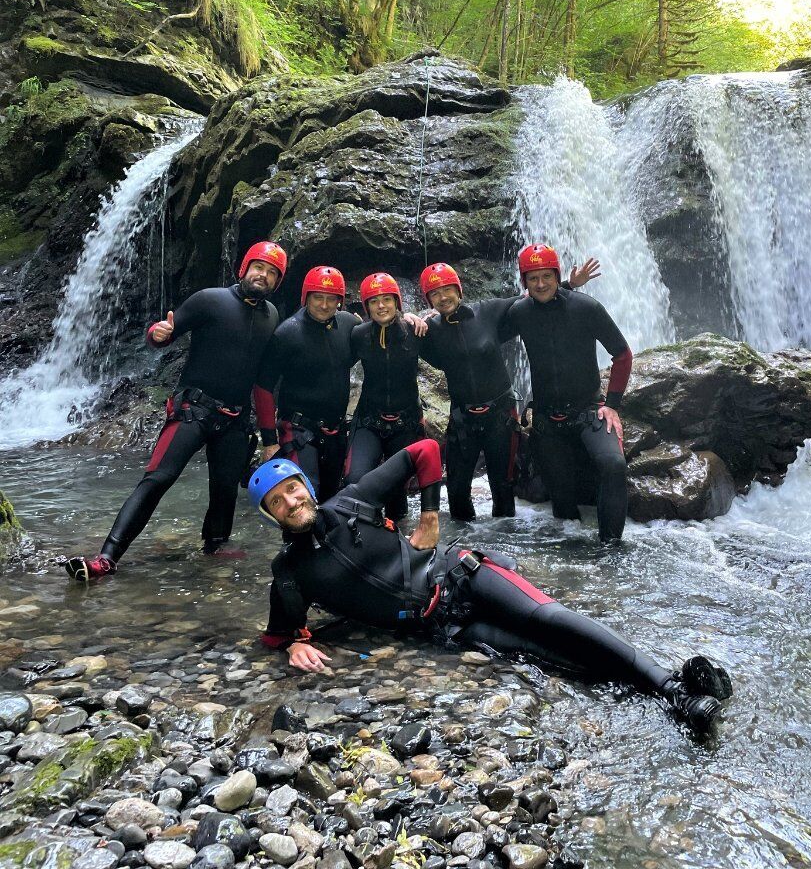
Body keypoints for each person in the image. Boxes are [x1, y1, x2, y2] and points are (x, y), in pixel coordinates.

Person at [248, 449, 733, 734]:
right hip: (445, 626)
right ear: (269, 516)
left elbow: (423, 452)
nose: (290, 502)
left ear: (307, 487)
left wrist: (432, 515)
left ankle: (673, 687)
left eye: (293, 490)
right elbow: (277, 633)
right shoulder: (289, 571)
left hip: (464, 573)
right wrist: (294, 642)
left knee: (550, 619)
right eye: (277, 502)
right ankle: (670, 695)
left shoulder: (351, 501)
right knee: (543, 654)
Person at [64, 241, 287, 581]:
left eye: (273, 273)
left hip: (235, 419)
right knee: (158, 478)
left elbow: (263, 383)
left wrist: (269, 437)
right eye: (259, 267)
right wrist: (158, 333)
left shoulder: (272, 317)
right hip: (193, 409)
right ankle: (107, 557)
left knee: (225, 488)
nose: (264, 275)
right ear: (244, 268)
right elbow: (162, 333)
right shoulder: (210, 299)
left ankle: (215, 548)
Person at [417, 258, 601, 521]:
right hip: (462, 420)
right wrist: (411, 317)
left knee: (502, 488)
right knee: (457, 491)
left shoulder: (488, 311)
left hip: (499, 416)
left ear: (459, 290)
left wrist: (569, 284)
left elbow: (534, 297)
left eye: (447, 289)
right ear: (429, 300)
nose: (443, 297)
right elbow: (395, 327)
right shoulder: (429, 330)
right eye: (435, 293)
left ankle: (504, 552)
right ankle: (463, 551)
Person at [504, 243, 633, 542]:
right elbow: (481, 333)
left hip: (589, 411)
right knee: (562, 510)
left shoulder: (586, 308)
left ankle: (611, 548)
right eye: (532, 278)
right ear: (524, 282)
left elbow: (623, 355)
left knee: (614, 465)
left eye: (546, 277)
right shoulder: (519, 312)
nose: (540, 284)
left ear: (556, 275)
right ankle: (568, 567)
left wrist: (613, 405)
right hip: (548, 422)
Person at [253, 267, 358, 503]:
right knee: (305, 497)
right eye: (318, 297)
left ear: (340, 301)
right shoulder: (287, 333)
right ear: (306, 297)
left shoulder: (349, 324)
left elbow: (376, 334)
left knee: (332, 499)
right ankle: (297, 541)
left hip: (336, 430)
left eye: (331, 299)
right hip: (299, 430)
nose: (324, 305)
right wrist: (269, 441)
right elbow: (263, 387)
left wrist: (411, 319)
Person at [344, 273, 426, 520]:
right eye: (374, 301)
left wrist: (425, 317)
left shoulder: (415, 331)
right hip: (368, 421)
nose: (381, 306)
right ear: (367, 306)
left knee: (397, 490)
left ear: (397, 303)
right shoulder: (358, 334)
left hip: (406, 422)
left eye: (387, 299)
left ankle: (397, 541)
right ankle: (361, 533)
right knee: (355, 479)